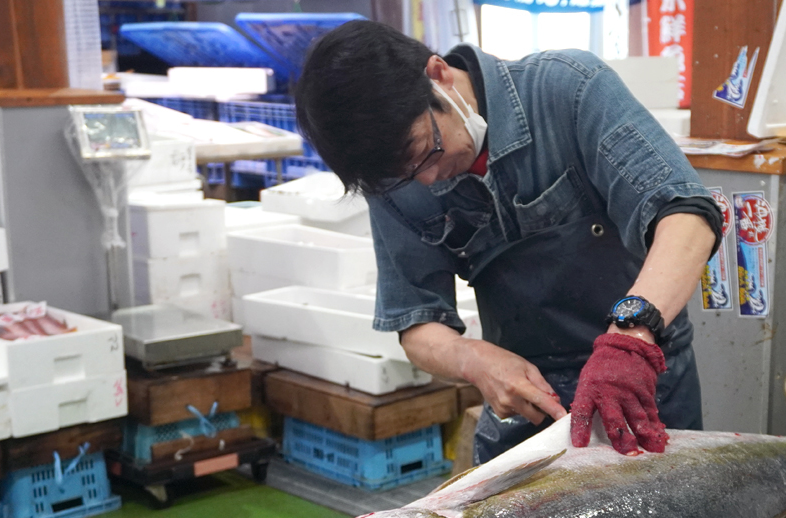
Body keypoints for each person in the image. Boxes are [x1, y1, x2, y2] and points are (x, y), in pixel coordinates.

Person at [296, 20, 720, 464]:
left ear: (437, 75)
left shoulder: (567, 88)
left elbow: (687, 214)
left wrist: (630, 339)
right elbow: (416, 319)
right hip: (529, 405)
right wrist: (473, 360)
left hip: (642, 379)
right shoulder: (396, 178)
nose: (426, 178)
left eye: (425, 150)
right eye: (403, 175)